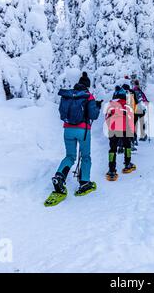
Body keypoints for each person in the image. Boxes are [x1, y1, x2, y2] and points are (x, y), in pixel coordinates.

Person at [45, 72, 102, 207]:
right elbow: (93, 115)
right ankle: (84, 183)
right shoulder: (88, 96)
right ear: (87, 86)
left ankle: (59, 177)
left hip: (67, 129)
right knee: (86, 156)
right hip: (83, 130)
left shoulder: (69, 95)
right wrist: (97, 107)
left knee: (70, 156)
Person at [105, 86, 137, 181]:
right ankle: (127, 164)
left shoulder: (111, 104)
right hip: (125, 128)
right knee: (127, 146)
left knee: (112, 149)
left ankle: (111, 170)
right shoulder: (128, 104)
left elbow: (106, 117)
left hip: (113, 129)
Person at [131, 78, 149, 142]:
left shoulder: (132, 91)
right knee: (141, 122)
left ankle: (134, 138)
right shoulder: (140, 91)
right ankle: (142, 135)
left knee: (134, 123)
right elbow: (145, 100)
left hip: (133, 109)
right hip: (140, 108)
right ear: (138, 84)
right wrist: (147, 102)